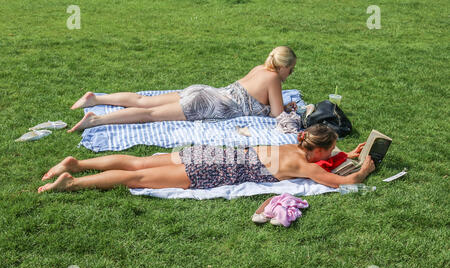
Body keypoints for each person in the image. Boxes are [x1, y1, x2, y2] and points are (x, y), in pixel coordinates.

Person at [38, 124, 375, 193]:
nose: (331, 155)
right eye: (329, 150)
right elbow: (342, 181)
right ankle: (74, 182)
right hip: (211, 170)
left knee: (138, 163)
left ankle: (77, 163)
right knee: (136, 179)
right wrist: (363, 171)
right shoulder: (303, 166)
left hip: (211, 153)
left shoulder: (292, 147)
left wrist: (350, 154)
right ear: (316, 150)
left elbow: (330, 162)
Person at [67, 46, 298, 132]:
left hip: (205, 92)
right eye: (292, 70)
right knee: (150, 116)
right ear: (284, 67)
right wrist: (286, 110)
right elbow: (277, 114)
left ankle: (96, 98)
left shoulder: (261, 68)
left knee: (144, 101)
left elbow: (255, 99)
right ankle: (96, 120)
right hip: (211, 104)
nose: (291, 74)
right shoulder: (273, 78)